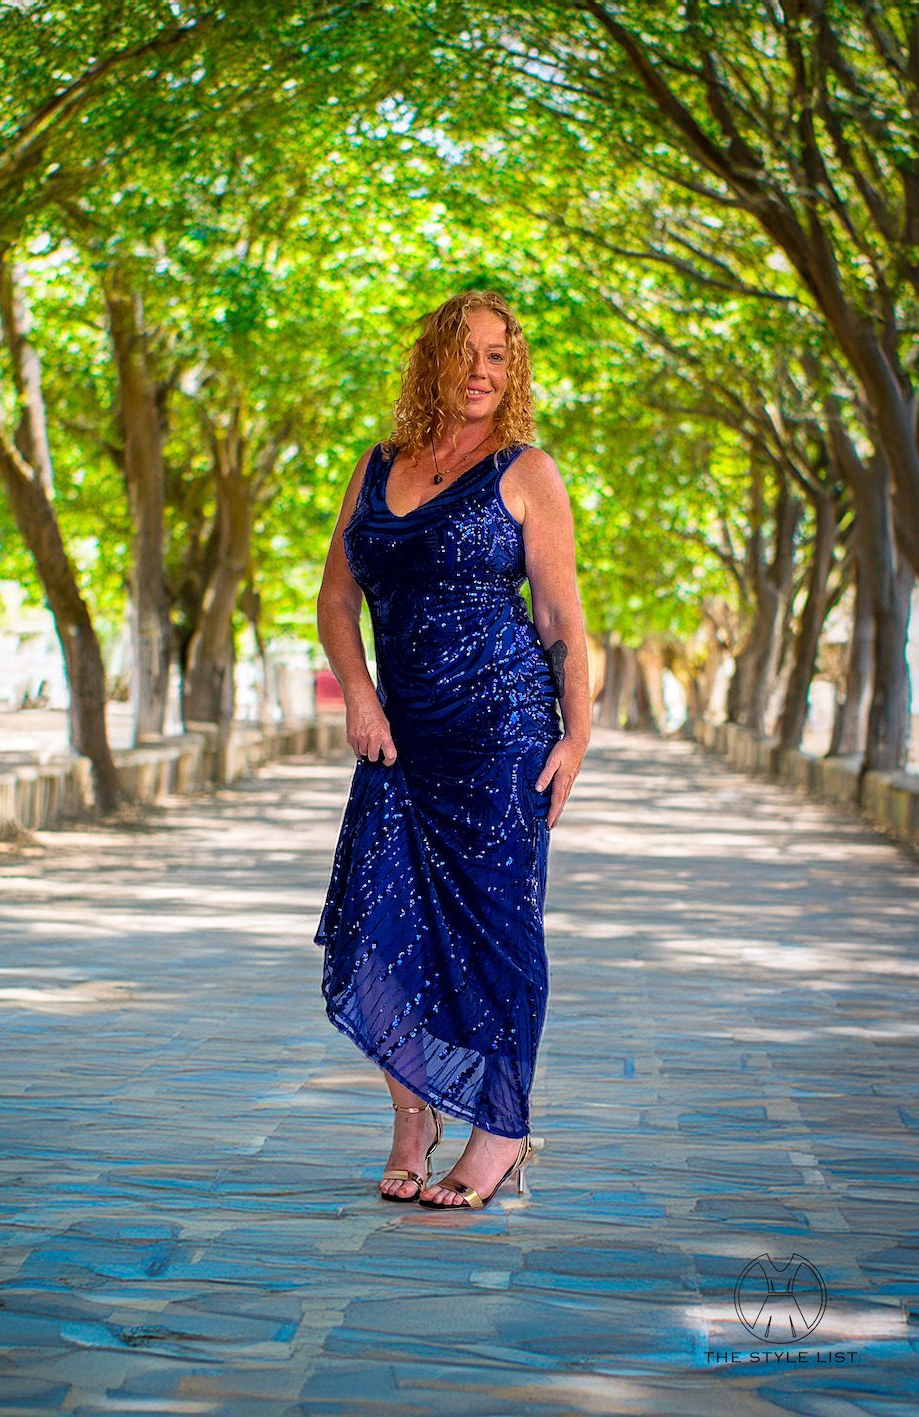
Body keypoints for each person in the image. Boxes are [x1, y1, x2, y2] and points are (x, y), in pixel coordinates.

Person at [313, 290, 590, 1208]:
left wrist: (577, 731)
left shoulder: (526, 470)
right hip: (401, 739)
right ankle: (413, 1116)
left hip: (504, 734)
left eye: (500, 358)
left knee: (496, 934)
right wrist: (359, 693)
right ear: (432, 360)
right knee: (377, 928)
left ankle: (500, 1132)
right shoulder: (375, 465)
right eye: (468, 354)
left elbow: (557, 615)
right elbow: (336, 600)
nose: (482, 372)